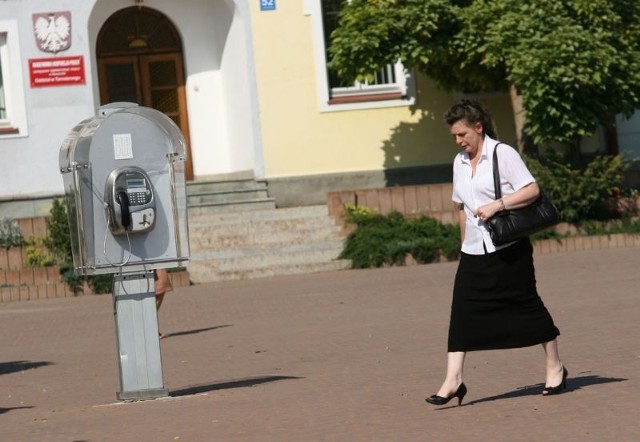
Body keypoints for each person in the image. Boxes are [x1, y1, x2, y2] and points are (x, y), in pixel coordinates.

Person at [425, 99, 567, 407]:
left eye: (462, 134)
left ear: (478, 127)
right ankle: (453, 379)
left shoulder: (503, 154)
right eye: (454, 136)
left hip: (509, 247)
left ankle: (555, 367)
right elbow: (462, 208)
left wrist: (498, 205)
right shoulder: (458, 162)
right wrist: (463, 247)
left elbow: (532, 190)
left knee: (527, 305)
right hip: (474, 251)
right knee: (461, 311)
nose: (459, 141)